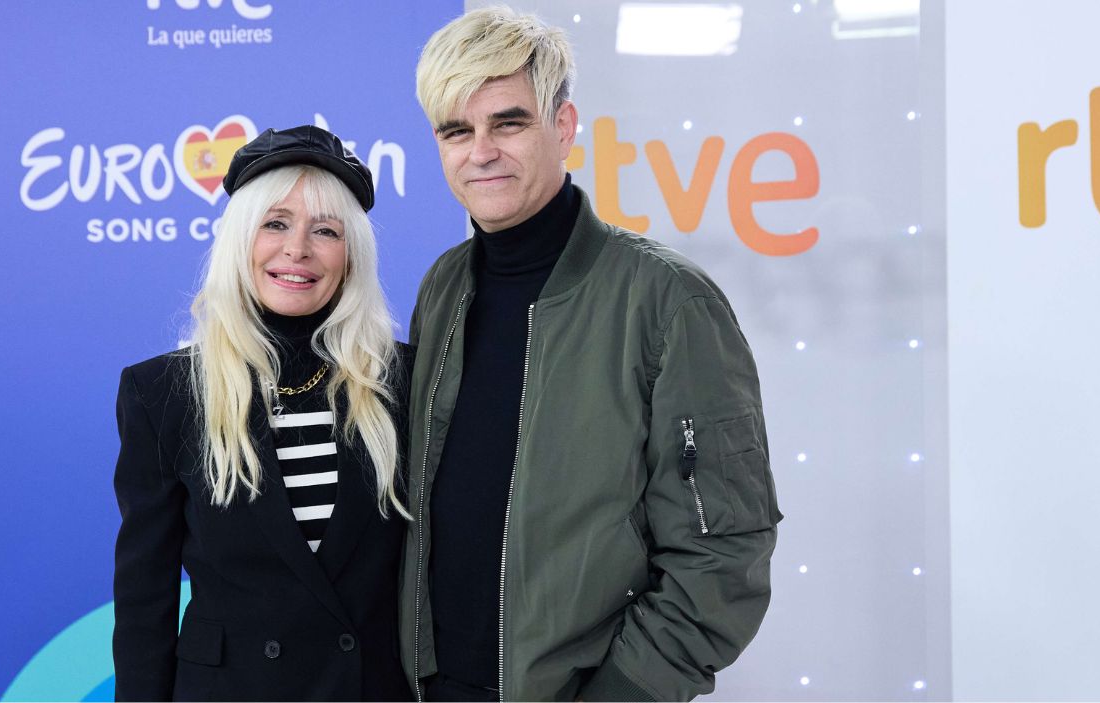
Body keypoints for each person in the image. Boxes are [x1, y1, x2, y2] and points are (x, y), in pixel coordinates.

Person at [401, 7, 781, 701]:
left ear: (564, 126)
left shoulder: (668, 300)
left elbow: (724, 550)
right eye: (457, 130)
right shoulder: (443, 287)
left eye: (508, 123)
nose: (480, 151)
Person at [112, 125, 413, 701]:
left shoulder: (403, 380)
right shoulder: (163, 393)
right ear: (239, 240)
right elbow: (144, 601)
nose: (297, 249)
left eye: (325, 230)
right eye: (275, 224)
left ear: (351, 255)